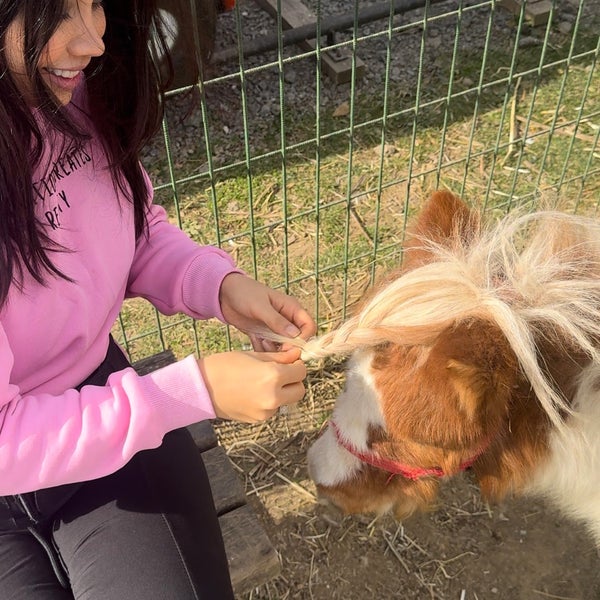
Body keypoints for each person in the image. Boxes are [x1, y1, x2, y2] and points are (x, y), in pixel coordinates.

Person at [0, 1, 316, 599]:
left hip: (97, 407)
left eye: (94, 3)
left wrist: (219, 286)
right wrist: (192, 393)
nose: (92, 41)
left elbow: (133, 225)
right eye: (56, 14)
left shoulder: (72, 94)